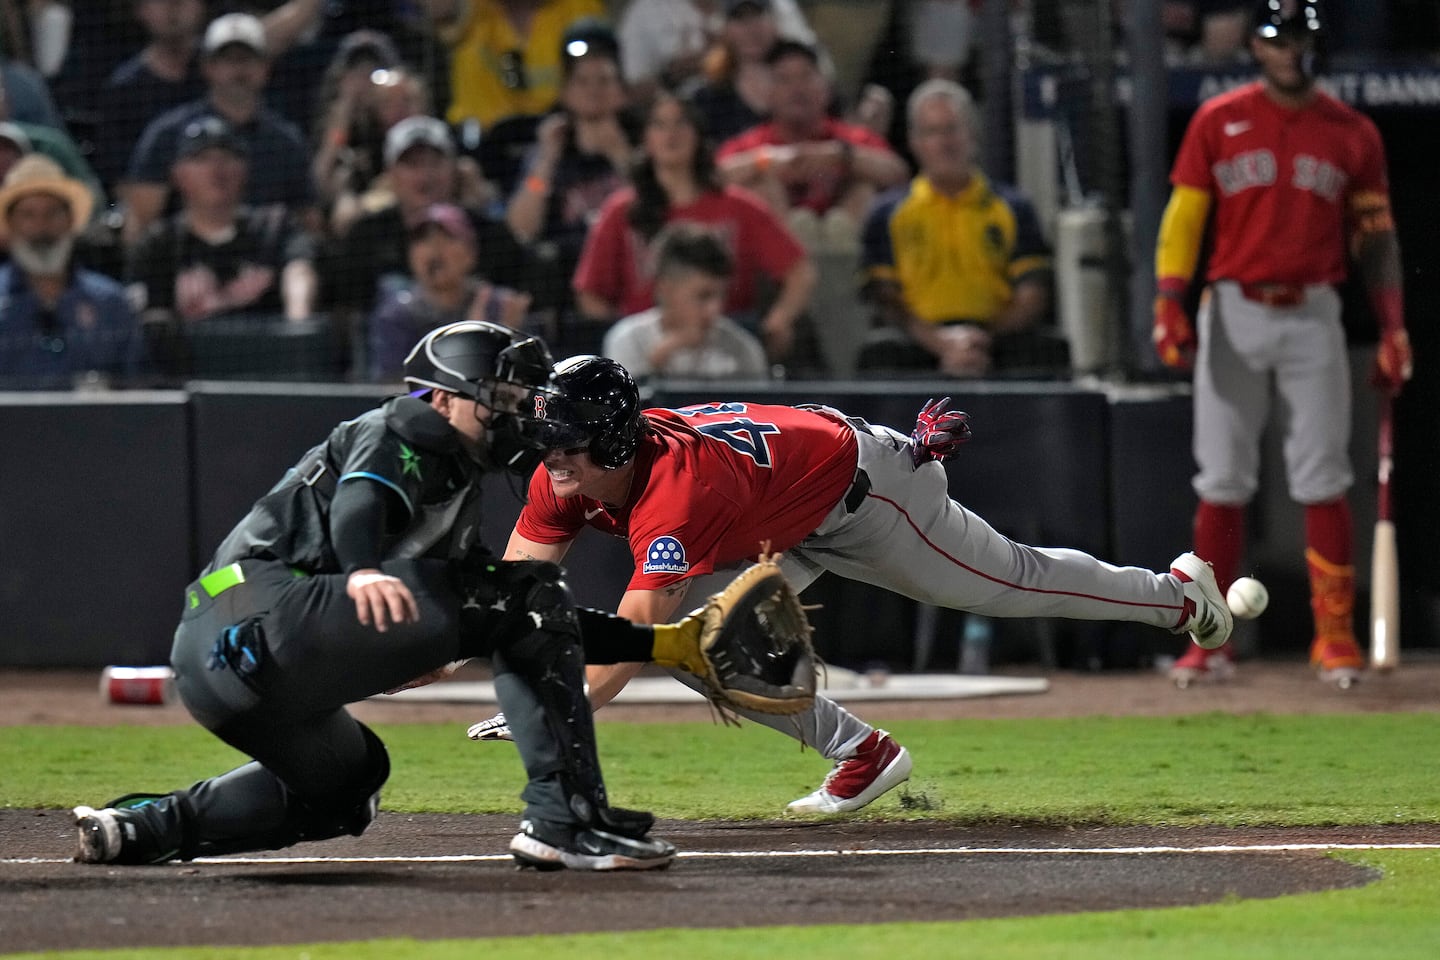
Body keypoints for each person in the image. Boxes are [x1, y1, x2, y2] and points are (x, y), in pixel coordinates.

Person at [68, 320, 701, 871]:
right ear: (449, 399)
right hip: (256, 613)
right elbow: (361, 502)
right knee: (525, 593)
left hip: (235, 667)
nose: (517, 415)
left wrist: (661, 643)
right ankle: (567, 823)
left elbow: (538, 620)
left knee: (348, 790)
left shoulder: (458, 478)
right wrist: (364, 569)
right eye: (502, 398)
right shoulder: (407, 426)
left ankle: (140, 829)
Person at [486, 355, 1233, 814]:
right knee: (706, 648)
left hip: (869, 493)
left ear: (613, 440)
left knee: (1008, 582)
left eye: (567, 445)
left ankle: (1176, 596)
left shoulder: (677, 490)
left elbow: (634, 635)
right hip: (795, 507)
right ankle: (862, 755)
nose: (552, 460)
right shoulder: (573, 478)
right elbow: (519, 587)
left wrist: (565, 697)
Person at [1152, 0, 1412, 688]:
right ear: (1258, 48)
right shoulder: (1220, 117)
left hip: (1314, 311)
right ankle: (1210, 640)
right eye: (1277, 39)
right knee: (1222, 478)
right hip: (1234, 305)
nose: (1289, 52)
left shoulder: (1352, 132)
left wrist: (1393, 325)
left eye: (1299, 39)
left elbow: (1377, 237)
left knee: (1324, 474)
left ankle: (1333, 637)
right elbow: (1185, 216)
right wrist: (1169, 301)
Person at [572, 91, 814, 363]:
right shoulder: (621, 211)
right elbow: (590, 293)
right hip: (646, 341)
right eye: (660, 125)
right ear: (646, 139)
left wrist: (779, 320)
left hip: (726, 340)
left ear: (698, 135)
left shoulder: (738, 206)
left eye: (681, 124)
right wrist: (625, 338)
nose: (671, 135)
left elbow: (799, 270)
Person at [859, 79, 1057, 378]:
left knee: (1046, 350)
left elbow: (1033, 294)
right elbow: (885, 298)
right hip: (917, 342)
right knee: (880, 354)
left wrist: (979, 339)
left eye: (952, 129)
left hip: (996, 340)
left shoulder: (1013, 207)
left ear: (972, 136)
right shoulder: (888, 213)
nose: (944, 142)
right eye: (932, 132)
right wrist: (939, 343)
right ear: (914, 142)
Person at [121, 12, 318, 247]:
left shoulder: (285, 141)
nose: (239, 70)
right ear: (208, 67)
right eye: (228, 60)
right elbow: (140, 226)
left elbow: (308, 224)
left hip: (263, 267)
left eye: (247, 59)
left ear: (266, 68)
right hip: (186, 265)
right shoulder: (168, 135)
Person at [323, 115, 530, 317]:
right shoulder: (365, 236)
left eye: (434, 162)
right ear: (390, 174)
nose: (425, 175)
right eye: (412, 164)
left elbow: (519, 298)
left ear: (454, 169)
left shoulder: (489, 233)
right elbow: (348, 313)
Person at [127, 117, 318, 327]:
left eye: (228, 157)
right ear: (178, 175)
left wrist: (298, 324)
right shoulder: (159, 244)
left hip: (268, 353)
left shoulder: (275, 227)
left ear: (245, 169)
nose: (216, 169)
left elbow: (299, 271)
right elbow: (145, 319)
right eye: (201, 159)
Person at [503, 20, 635, 317]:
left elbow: (661, 210)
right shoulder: (550, 149)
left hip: (629, 267)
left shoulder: (644, 136)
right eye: (581, 81)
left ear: (621, 90)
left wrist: (621, 156)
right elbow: (522, 228)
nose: (593, 91)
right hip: (567, 279)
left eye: (604, 80)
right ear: (565, 91)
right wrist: (546, 162)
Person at [0, 155, 143, 389]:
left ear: (71, 221)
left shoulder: (111, 304)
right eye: (28, 215)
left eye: (53, 213)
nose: (41, 227)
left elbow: (139, 392)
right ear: (11, 225)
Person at [368, 203, 532, 380]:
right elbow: (395, 391)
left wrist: (510, 338)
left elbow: (527, 386)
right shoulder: (397, 316)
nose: (434, 250)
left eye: (446, 238)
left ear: (471, 253)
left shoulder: (501, 306)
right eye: (422, 240)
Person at [602, 221, 768, 380]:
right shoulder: (628, 342)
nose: (715, 308)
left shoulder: (743, 349)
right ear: (665, 289)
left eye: (722, 295)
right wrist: (660, 356)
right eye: (703, 296)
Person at [418, 0, 607, 131]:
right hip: (485, 144)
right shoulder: (473, 10)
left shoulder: (577, 6)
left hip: (565, 133)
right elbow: (439, 11)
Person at [618, 0, 818, 104]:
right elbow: (632, 87)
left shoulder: (779, 6)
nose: (750, 28)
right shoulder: (647, 11)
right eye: (740, 20)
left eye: (756, 18)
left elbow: (812, 60)